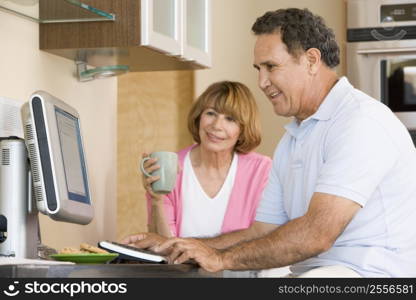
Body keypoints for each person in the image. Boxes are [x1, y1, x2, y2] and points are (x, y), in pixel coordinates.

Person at [123, 8, 416, 278]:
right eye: (258, 69)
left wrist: (222, 259)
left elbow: (317, 234)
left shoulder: (360, 122)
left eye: (271, 67)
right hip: (322, 274)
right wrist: (179, 246)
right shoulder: (293, 139)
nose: (261, 81)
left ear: (311, 60)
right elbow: (263, 231)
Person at [139, 80, 272, 239]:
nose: (216, 125)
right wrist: (156, 201)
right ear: (199, 117)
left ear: (243, 129)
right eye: (210, 113)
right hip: (179, 264)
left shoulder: (261, 170)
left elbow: (262, 238)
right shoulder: (171, 168)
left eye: (230, 119)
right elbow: (162, 247)